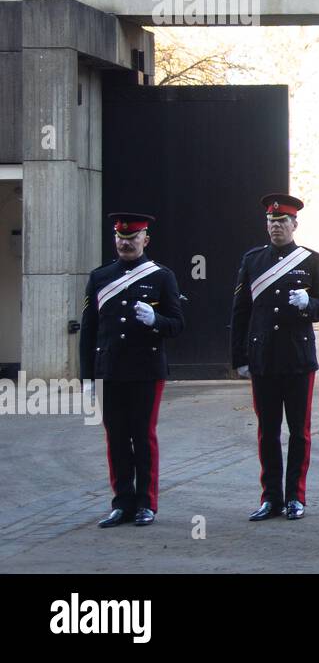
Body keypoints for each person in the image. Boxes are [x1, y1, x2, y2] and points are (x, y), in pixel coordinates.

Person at [230, 193, 319, 521]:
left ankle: (295, 497)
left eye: (282, 222)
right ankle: (270, 497)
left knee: (299, 432)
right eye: (272, 222)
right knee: (267, 431)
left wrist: (308, 305)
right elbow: (241, 311)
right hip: (264, 357)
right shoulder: (253, 260)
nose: (276, 227)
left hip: (297, 357)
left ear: (294, 224)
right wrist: (240, 358)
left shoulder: (311, 261)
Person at [80, 213, 185, 528]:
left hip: (145, 370)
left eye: (133, 237)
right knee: (115, 438)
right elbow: (89, 330)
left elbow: (178, 324)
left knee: (142, 437)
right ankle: (121, 502)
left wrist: (156, 322)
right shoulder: (100, 277)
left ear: (145, 240)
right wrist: (87, 377)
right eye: (121, 237)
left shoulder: (162, 277)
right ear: (115, 239)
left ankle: (146, 503)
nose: (126, 242)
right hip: (109, 370)